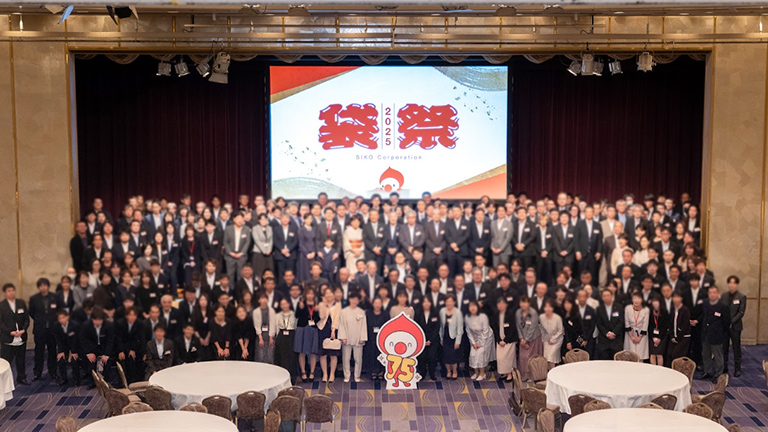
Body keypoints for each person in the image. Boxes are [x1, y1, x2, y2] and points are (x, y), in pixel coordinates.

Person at [0, 283, 30, 385]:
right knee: (6, 361)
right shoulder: (1, 305)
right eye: (9, 291)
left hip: (21, 337)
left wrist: (23, 329)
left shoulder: (21, 303)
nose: (11, 292)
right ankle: (3, 381)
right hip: (8, 338)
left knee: (21, 359)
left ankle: (21, 377)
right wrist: (10, 332)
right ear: (4, 293)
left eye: (13, 290)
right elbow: (1, 323)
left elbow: (26, 319)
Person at [29, 278, 58, 381]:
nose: (43, 287)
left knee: (52, 352)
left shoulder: (54, 297)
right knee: (39, 352)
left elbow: (58, 311)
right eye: (41, 285)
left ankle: (53, 372)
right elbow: (31, 312)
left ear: (48, 286)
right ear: (38, 287)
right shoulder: (34, 298)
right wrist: (40, 320)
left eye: (45, 285)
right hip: (40, 330)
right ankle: (37, 373)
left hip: (52, 330)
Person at [701, 285, 730, 382]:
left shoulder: (723, 305)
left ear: (718, 293)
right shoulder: (705, 302)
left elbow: (726, 322)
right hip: (705, 333)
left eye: (714, 292)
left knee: (718, 356)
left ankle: (718, 374)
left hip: (717, 335)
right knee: (706, 354)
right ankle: (708, 371)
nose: (712, 294)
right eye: (710, 293)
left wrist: (720, 331)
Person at [80, 308, 115, 387]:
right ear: (92, 319)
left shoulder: (109, 325)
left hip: (104, 347)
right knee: (90, 362)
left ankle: (105, 381)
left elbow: (110, 341)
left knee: (107, 361)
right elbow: (83, 340)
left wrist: (106, 355)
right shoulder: (85, 325)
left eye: (100, 320)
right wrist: (89, 353)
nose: (98, 322)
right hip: (91, 348)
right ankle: (93, 382)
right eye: (95, 320)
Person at [338, 292, 367, 383]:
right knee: (346, 358)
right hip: (346, 337)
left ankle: (357, 375)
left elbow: (364, 325)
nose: (354, 301)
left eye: (356, 299)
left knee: (358, 358)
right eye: (352, 299)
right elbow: (341, 325)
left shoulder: (361, 312)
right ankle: (347, 375)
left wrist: (362, 337)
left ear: (359, 301)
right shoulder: (343, 311)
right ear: (349, 299)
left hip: (358, 338)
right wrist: (343, 337)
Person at [294, 288, 319, 381]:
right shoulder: (301, 303)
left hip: (312, 329)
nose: (310, 295)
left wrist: (317, 311)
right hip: (302, 328)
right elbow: (296, 316)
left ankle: (312, 372)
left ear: (314, 295)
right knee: (302, 352)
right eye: (308, 293)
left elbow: (319, 318)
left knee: (313, 352)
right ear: (305, 295)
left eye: (312, 294)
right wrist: (300, 308)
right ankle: (303, 371)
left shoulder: (317, 304)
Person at [723, 275, 745, 377]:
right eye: (730, 282)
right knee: (724, 348)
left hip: (735, 326)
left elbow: (741, 312)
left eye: (734, 283)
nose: (732, 285)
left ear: (736, 284)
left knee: (736, 348)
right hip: (724, 326)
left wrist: (731, 321)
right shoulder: (724, 295)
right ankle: (724, 367)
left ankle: (737, 368)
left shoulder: (741, 296)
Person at [115, 306, 145, 384]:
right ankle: (122, 381)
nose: (132, 317)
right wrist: (121, 351)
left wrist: (132, 349)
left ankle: (132, 381)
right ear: (126, 316)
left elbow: (139, 338)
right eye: (130, 315)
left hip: (134, 346)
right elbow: (118, 339)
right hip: (122, 347)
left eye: (134, 315)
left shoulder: (140, 323)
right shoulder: (119, 323)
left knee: (133, 358)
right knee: (122, 358)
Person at [465, 301, 493, 381]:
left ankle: (482, 373)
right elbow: (468, 331)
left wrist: (481, 343)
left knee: (480, 353)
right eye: (471, 306)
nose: (472, 308)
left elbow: (485, 331)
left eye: (474, 306)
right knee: (473, 354)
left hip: (486, 337)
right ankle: (476, 372)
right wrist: (473, 343)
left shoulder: (483, 316)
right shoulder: (467, 317)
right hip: (475, 338)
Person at [317, 287, 341, 382]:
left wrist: (333, 330)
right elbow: (322, 316)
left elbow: (337, 318)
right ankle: (325, 374)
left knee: (333, 354)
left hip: (333, 330)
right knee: (323, 354)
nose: (328, 295)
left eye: (330, 293)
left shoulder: (338, 305)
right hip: (322, 329)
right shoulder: (321, 304)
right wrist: (324, 305)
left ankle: (332, 374)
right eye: (326, 293)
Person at [491, 297, 518, 382]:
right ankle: (504, 373)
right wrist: (499, 340)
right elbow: (494, 328)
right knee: (500, 358)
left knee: (508, 358)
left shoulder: (510, 314)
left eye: (503, 303)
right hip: (500, 340)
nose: (501, 305)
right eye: (499, 303)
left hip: (509, 340)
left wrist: (505, 340)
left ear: (506, 305)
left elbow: (513, 328)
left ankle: (509, 374)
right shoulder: (495, 314)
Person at [515, 295, 541, 380]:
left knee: (530, 357)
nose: (523, 304)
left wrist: (526, 340)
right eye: (522, 302)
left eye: (525, 302)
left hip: (533, 338)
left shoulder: (533, 313)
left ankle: (532, 375)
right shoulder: (518, 312)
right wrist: (521, 339)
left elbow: (532, 327)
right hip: (522, 338)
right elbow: (518, 326)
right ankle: (523, 375)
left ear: (529, 303)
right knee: (523, 358)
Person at [414, 296, 439, 381]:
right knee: (422, 357)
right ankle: (423, 373)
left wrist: (430, 340)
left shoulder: (435, 313)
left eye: (428, 301)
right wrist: (422, 340)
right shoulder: (418, 313)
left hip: (433, 340)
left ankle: (432, 373)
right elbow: (416, 327)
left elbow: (436, 328)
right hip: (421, 340)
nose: (426, 304)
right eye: (424, 302)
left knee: (432, 357)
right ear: (422, 303)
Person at [53, 310, 80, 386]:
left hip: (75, 346)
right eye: (60, 318)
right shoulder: (56, 326)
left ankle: (76, 379)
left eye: (63, 317)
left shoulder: (75, 325)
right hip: (64, 347)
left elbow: (76, 340)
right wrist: (61, 351)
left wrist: (73, 351)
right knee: (60, 360)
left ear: (67, 317)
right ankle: (63, 378)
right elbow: (58, 339)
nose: (62, 320)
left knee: (74, 360)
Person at [439, 294, 463, 380]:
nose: (449, 303)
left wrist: (458, 341)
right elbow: (441, 326)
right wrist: (441, 338)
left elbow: (460, 328)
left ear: (454, 302)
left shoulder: (458, 312)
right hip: (445, 336)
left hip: (454, 337)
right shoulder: (442, 311)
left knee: (453, 356)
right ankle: (448, 371)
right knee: (446, 356)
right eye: (447, 301)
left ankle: (455, 371)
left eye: (451, 301)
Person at [275, 298, 298, 383]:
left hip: (292, 336)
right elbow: (276, 327)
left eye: (285, 303)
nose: (284, 306)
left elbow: (296, 326)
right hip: (281, 336)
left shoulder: (294, 314)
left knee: (292, 356)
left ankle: (292, 376)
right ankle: (282, 376)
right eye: (282, 304)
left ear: (289, 304)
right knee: (282, 356)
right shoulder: (277, 315)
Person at [596, 289, 624, 360]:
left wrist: (614, 333)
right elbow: (599, 323)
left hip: (616, 340)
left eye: (608, 295)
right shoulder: (599, 309)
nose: (606, 297)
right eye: (604, 296)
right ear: (602, 298)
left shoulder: (619, 307)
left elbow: (621, 322)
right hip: (604, 341)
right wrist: (607, 333)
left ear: (612, 296)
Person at [624, 291, 650, 361]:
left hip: (641, 335)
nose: (636, 300)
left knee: (640, 356)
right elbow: (627, 322)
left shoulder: (646, 310)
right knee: (630, 356)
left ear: (642, 299)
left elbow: (645, 324)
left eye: (638, 298)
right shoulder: (628, 308)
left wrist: (640, 337)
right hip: (630, 334)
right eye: (634, 298)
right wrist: (631, 336)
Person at [668, 290, 692, 362]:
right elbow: (671, 324)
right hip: (674, 336)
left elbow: (685, 326)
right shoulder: (672, 309)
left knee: (677, 355)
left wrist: (677, 338)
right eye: (674, 297)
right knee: (669, 354)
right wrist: (672, 336)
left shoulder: (685, 310)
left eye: (678, 297)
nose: (676, 299)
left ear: (681, 298)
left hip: (683, 337)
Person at [539, 299, 564, 368]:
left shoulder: (558, 318)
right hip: (547, 339)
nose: (548, 309)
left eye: (550, 307)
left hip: (557, 339)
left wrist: (553, 340)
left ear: (553, 308)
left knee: (551, 356)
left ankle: (552, 371)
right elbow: (541, 328)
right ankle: (549, 371)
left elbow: (560, 331)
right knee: (546, 358)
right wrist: (545, 338)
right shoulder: (541, 317)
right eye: (546, 307)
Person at [648, 295, 669, 366]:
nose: (655, 303)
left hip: (662, 336)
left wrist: (659, 338)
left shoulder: (664, 312)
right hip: (652, 336)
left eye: (656, 301)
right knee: (652, 355)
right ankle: (653, 370)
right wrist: (653, 337)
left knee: (659, 355)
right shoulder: (650, 311)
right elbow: (649, 326)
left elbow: (665, 326)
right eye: (654, 301)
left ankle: (660, 370)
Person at [192, 294, 213, 361]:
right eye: (201, 300)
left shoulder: (211, 311)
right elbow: (194, 327)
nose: (203, 302)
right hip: (198, 336)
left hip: (209, 336)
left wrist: (207, 337)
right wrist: (200, 338)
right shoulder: (195, 311)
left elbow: (212, 326)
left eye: (205, 300)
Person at [297, 213, 317, 283]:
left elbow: (315, 242)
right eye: (307, 218)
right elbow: (301, 243)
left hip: (313, 254)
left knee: (313, 272)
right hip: (304, 255)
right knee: (304, 273)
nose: (309, 220)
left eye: (310, 218)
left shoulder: (314, 229)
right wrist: (307, 253)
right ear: (304, 219)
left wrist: (314, 252)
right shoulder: (301, 230)